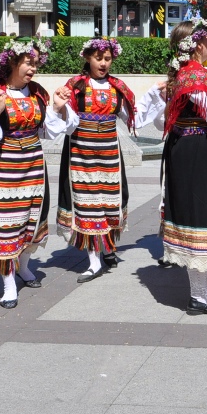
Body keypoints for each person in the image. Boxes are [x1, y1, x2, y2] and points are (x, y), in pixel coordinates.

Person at [141, 19, 207, 313]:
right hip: (199, 154)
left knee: (198, 218)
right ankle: (199, 297)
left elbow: (165, 120)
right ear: (198, 44)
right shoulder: (195, 78)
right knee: (200, 221)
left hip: (191, 152)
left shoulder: (186, 75)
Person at [0, 38, 75, 308]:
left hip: (33, 164)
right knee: (6, 225)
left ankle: (24, 266)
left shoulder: (37, 91)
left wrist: (56, 107)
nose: (33, 68)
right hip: (3, 167)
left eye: (36, 63)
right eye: (28, 62)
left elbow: (48, 132)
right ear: (12, 62)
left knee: (31, 218)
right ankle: (7, 284)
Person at [56, 38, 136, 282]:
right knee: (87, 202)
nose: (103, 64)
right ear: (88, 58)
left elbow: (130, 116)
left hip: (110, 152)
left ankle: (108, 246)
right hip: (82, 153)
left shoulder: (117, 87)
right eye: (98, 58)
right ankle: (94, 261)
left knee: (109, 201)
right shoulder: (75, 85)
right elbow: (64, 120)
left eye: (108, 59)